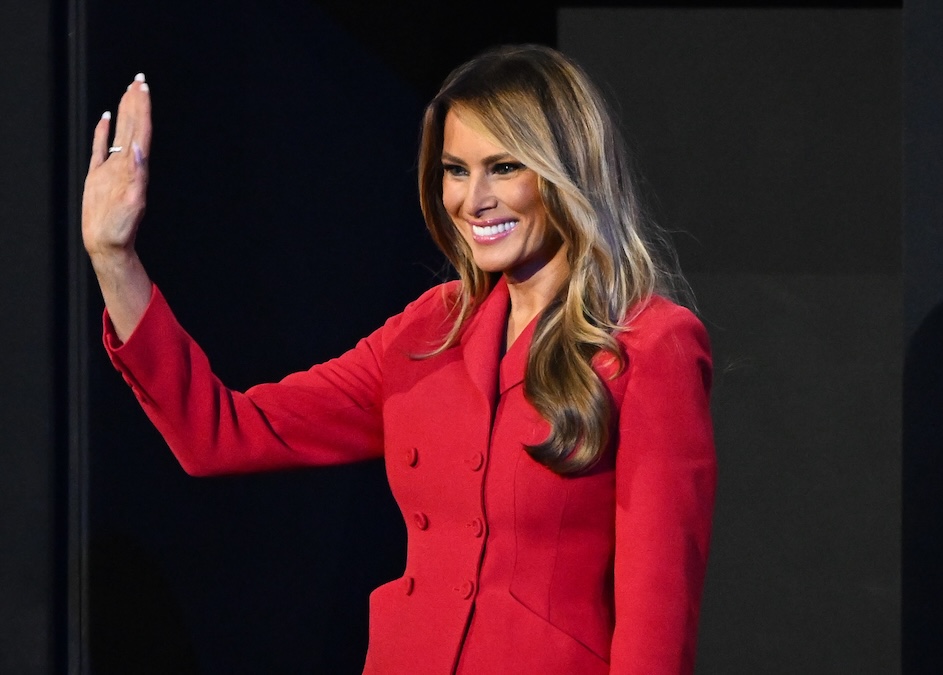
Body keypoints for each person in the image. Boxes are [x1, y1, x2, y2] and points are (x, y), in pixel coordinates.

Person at [82, 45, 716, 674]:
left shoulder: (649, 346)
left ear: (564, 172)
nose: (474, 200)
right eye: (456, 170)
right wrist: (116, 260)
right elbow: (220, 433)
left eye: (503, 167)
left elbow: (655, 622)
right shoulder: (430, 330)